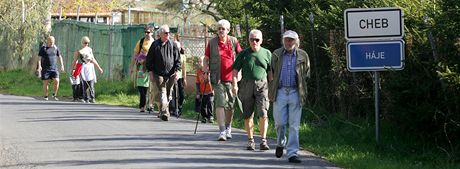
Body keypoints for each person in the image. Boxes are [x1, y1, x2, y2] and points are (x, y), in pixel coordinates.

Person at [268, 30, 310, 163]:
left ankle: (292, 153)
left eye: (291, 40)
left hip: (296, 92)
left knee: (294, 125)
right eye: (286, 39)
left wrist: (301, 87)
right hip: (280, 91)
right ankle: (281, 143)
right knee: (280, 123)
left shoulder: (303, 55)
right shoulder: (276, 54)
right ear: (283, 41)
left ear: (296, 41)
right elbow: (272, 71)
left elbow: (307, 73)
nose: (288, 42)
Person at [232, 29, 271, 151]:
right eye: (252, 39)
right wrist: (235, 85)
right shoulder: (243, 54)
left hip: (262, 85)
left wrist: (272, 87)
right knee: (247, 114)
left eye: (257, 39)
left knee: (263, 112)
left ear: (261, 41)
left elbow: (270, 72)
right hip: (246, 84)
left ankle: (263, 140)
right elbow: (235, 71)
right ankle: (250, 140)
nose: (254, 42)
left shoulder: (267, 53)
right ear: (248, 40)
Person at [204, 19, 242, 141]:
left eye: (223, 28)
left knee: (230, 105)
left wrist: (240, 72)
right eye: (219, 28)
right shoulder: (212, 42)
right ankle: (221, 131)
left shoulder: (234, 41)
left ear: (228, 30)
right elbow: (206, 58)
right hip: (217, 78)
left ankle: (228, 127)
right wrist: (205, 71)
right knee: (220, 102)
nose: (220, 30)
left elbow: (241, 56)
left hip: (232, 79)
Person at [146, 24, 181, 121]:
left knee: (169, 93)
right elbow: (149, 60)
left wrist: (177, 71)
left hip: (171, 74)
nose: (168, 34)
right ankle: (165, 112)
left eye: (168, 33)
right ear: (160, 34)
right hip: (159, 73)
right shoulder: (155, 45)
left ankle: (163, 111)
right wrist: (150, 72)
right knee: (162, 92)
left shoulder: (173, 45)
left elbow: (178, 59)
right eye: (166, 33)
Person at [131, 25, 156, 112]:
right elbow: (135, 54)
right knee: (142, 87)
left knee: (151, 88)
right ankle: (142, 105)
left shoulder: (155, 42)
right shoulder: (141, 42)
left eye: (148, 32)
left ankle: (150, 104)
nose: (146, 34)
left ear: (152, 33)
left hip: (152, 68)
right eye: (145, 32)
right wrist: (132, 66)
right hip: (141, 67)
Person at [72, 36, 104, 103]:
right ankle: (85, 98)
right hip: (82, 67)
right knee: (84, 84)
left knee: (91, 83)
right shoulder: (78, 51)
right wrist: (72, 69)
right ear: (82, 43)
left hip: (89, 67)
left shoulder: (89, 49)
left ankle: (92, 98)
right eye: (85, 43)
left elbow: (93, 59)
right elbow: (75, 60)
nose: (86, 44)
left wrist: (99, 68)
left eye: (87, 43)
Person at [37, 36, 65, 101]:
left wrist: (62, 66)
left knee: (57, 80)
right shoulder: (43, 48)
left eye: (53, 42)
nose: (52, 43)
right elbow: (39, 58)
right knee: (46, 82)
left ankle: (54, 95)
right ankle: (46, 96)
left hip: (54, 68)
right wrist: (39, 66)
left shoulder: (56, 48)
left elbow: (59, 57)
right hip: (45, 68)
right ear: (48, 41)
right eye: (51, 42)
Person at [169, 33, 187, 116]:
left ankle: (179, 106)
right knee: (173, 93)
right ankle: (173, 109)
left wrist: (185, 78)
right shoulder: (171, 55)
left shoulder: (182, 56)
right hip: (172, 76)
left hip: (180, 77)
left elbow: (184, 68)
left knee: (181, 94)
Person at [195, 56, 214, 123]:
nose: (199, 63)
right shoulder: (198, 72)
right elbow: (197, 83)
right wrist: (198, 93)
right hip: (202, 91)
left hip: (210, 90)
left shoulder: (209, 71)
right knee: (203, 105)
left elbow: (213, 81)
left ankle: (210, 116)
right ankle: (204, 117)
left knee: (210, 103)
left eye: (200, 61)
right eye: (198, 61)